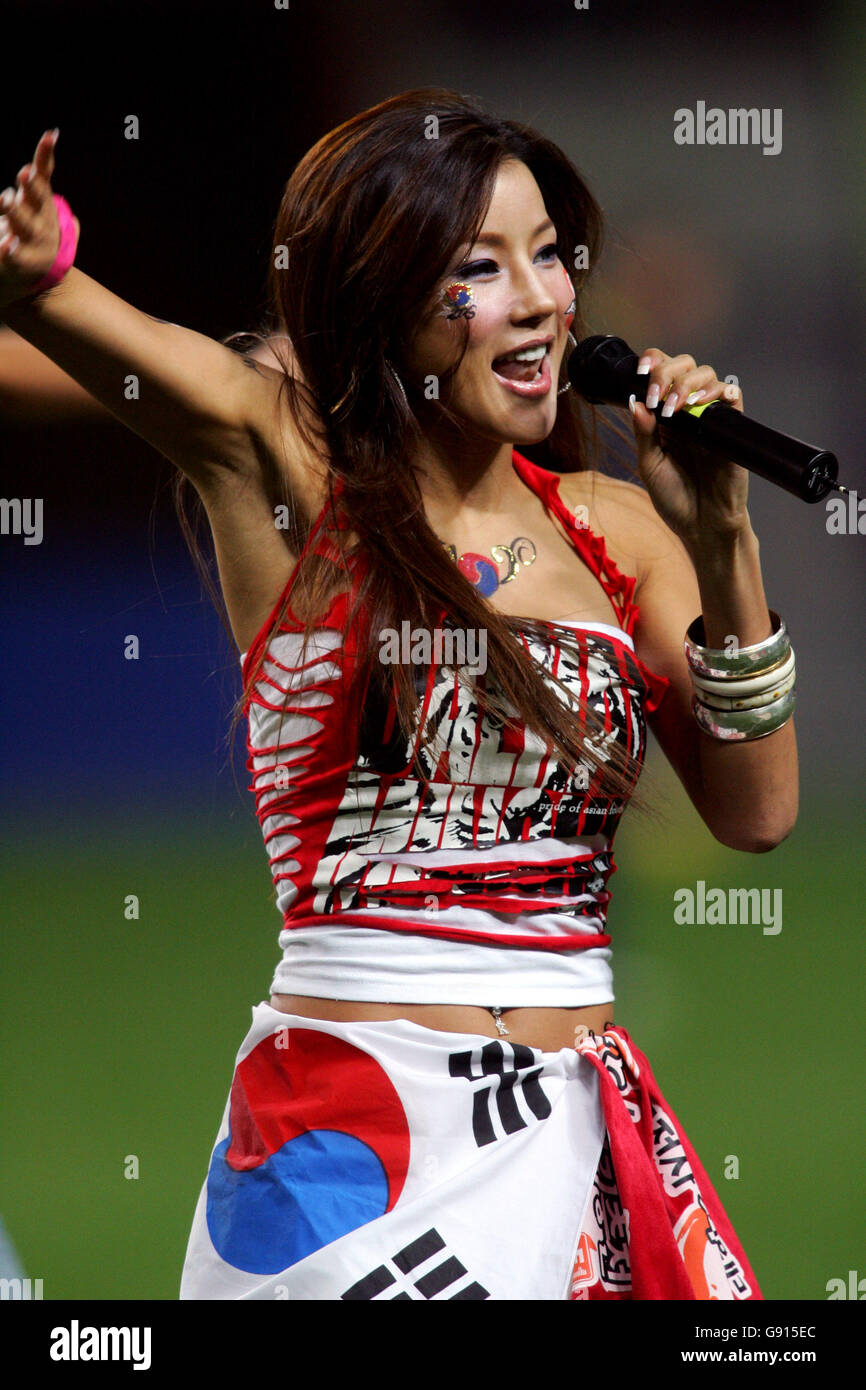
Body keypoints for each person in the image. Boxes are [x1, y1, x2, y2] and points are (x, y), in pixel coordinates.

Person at [1, 89, 797, 1301]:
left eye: (547, 257)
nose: (536, 298)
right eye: (480, 265)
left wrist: (726, 538)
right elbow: (67, 312)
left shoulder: (623, 532)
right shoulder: (280, 459)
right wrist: (37, 260)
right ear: (383, 298)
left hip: (572, 1153)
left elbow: (755, 811)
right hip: (347, 1161)